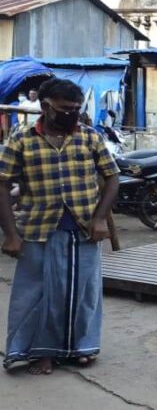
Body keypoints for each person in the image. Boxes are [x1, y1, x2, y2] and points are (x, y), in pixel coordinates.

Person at [0, 78, 120, 375]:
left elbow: (112, 177)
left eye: (76, 109)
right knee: (37, 293)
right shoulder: (21, 139)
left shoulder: (89, 137)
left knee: (83, 291)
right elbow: (3, 185)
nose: (72, 114)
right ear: (45, 107)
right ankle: (42, 352)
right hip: (38, 228)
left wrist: (100, 218)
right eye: (66, 109)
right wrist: (10, 234)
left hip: (84, 229)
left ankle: (81, 347)